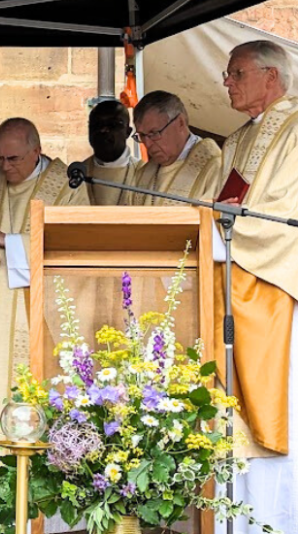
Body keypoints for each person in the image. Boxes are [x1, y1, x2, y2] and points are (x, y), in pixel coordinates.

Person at [0, 118, 89, 531]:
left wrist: (11, 244)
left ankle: (44, 515)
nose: (5, 167)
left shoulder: (67, 186)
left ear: (36, 151)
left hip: (36, 321)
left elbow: (76, 246)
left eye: (14, 158)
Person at [212, 39, 298, 534]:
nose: (227, 82)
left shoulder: (294, 128)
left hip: (273, 292)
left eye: (235, 73)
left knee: (277, 406)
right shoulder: (238, 139)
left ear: (271, 76)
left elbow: (283, 217)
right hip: (230, 285)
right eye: (227, 74)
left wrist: (223, 237)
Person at [119, 91, 222, 206]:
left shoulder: (214, 168)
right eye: (142, 135)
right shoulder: (143, 175)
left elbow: (212, 220)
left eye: (154, 133)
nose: (147, 143)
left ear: (180, 123)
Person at [79, 100, 139, 206]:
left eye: (113, 125)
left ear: (127, 132)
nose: (103, 130)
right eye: (97, 124)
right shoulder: (77, 173)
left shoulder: (143, 173)